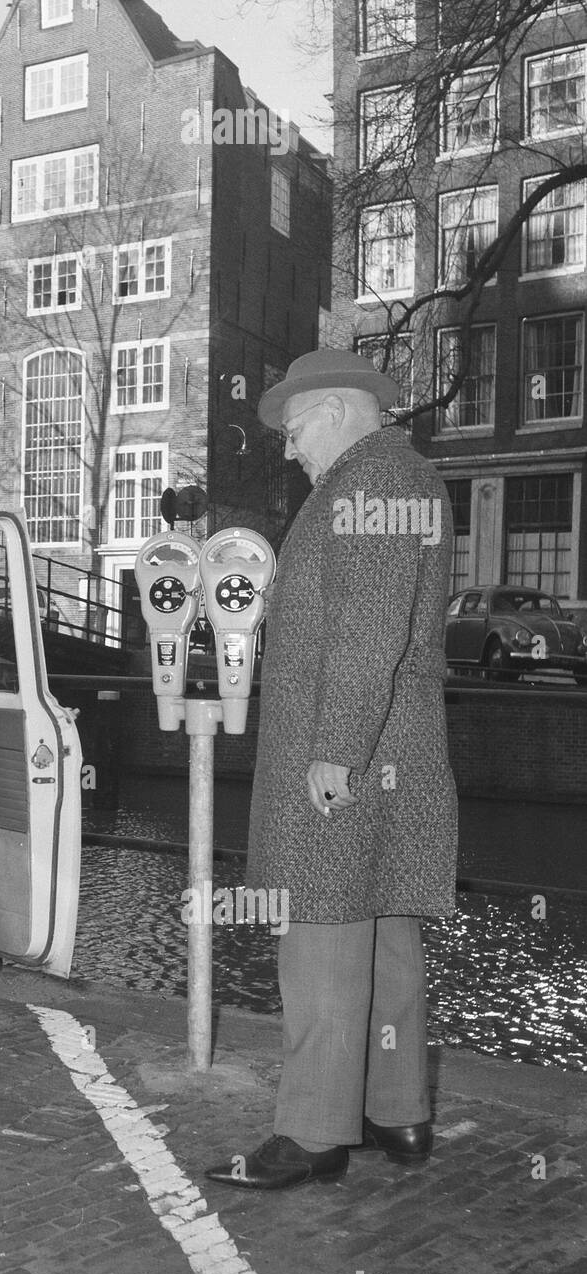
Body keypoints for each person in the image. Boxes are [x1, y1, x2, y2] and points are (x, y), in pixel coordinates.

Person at [206, 349, 458, 1191]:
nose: (286, 446)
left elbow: (368, 632)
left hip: (350, 757)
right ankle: (398, 1114)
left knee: (317, 936)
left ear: (340, 410)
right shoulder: (390, 481)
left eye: (294, 426)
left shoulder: (370, 484)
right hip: (395, 755)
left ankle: (312, 1134)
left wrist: (335, 752)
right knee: (385, 932)